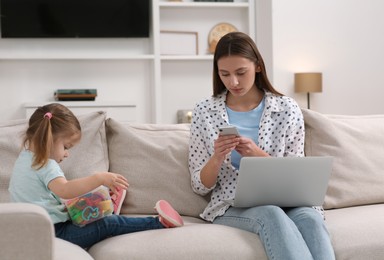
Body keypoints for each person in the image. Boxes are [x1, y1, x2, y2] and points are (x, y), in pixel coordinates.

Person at [188, 32, 335, 260]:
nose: (233, 82)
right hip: (231, 203)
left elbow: (297, 175)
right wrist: (217, 157)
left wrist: (258, 155)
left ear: (257, 66)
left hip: (288, 200)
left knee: (311, 219)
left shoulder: (287, 108)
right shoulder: (204, 112)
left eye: (240, 72)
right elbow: (199, 185)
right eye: (224, 74)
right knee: (271, 215)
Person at [9, 103, 183, 249]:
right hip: (55, 234)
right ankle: (159, 222)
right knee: (107, 224)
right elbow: (65, 190)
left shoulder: (24, 159)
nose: (67, 154)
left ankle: (105, 205)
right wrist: (99, 178)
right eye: (66, 147)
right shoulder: (46, 164)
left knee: (79, 206)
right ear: (48, 139)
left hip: (39, 229)